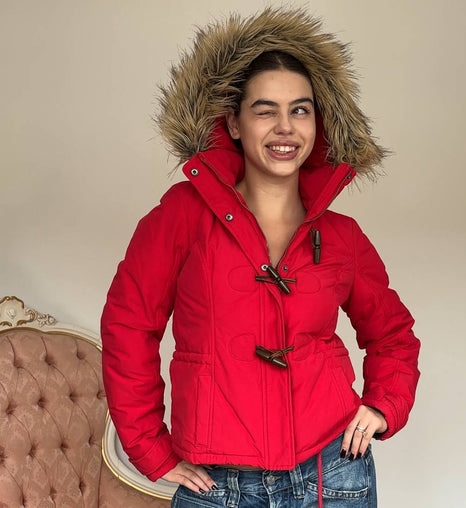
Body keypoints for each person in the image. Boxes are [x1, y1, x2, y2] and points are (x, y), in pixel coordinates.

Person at [101, 7, 420, 508]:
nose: (285, 127)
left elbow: (393, 334)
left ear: (318, 122)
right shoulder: (183, 215)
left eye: (300, 110)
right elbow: (129, 323)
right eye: (265, 110)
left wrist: (383, 405)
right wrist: (149, 448)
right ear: (233, 122)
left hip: (331, 474)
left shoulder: (342, 236)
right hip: (216, 484)